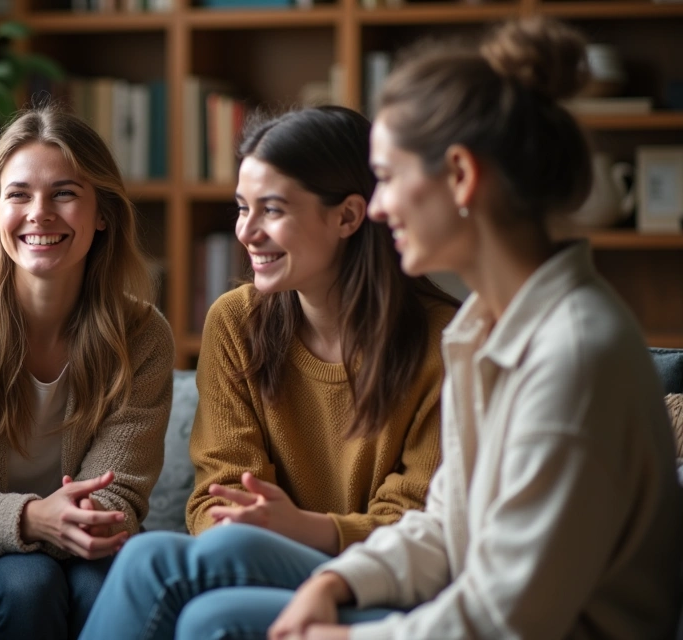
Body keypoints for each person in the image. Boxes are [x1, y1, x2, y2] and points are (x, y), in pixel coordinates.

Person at [267, 17, 682, 639]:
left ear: (460, 176)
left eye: (388, 177)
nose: (376, 206)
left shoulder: (573, 356)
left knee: (217, 621)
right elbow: (447, 525)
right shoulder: (479, 329)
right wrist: (336, 580)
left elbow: (505, 619)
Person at [78, 105, 456, 640]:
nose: (246, 232)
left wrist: (306, 529)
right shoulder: (236, 323)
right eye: (242, 208)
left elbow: (424, 523)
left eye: (272, 210)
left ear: (348, 217)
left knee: (154, 562)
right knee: (202, 609)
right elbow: (220, 492)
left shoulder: (445, 344)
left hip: (387, 580)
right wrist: (252, 525)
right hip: (262, 562)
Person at [0, 104, 175, 640]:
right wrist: (27, 520)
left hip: (90, 553)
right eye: (18, 195)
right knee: (29, 582)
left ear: (103, 213)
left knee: (106, 581)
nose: (39, 214)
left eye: (64, 194)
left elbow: (117, 500)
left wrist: (67, 523)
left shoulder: (142, 336)